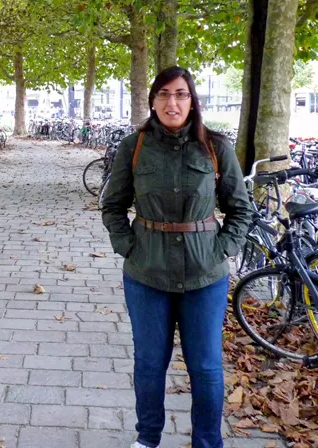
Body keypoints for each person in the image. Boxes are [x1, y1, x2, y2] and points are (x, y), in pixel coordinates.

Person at [101, 66, 252, 448]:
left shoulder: (215, 147)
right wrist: (129, 246)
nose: (172, 102)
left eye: (181, 94)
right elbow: (113, 205)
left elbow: (241, 209)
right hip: (146, 274)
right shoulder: (132, 147)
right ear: (153, 101)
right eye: (164, 94)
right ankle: (148, 438)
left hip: (205, 275)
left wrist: (222, 248)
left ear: (192, 100)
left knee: (206, 368)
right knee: (150, 364)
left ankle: (207, 443)